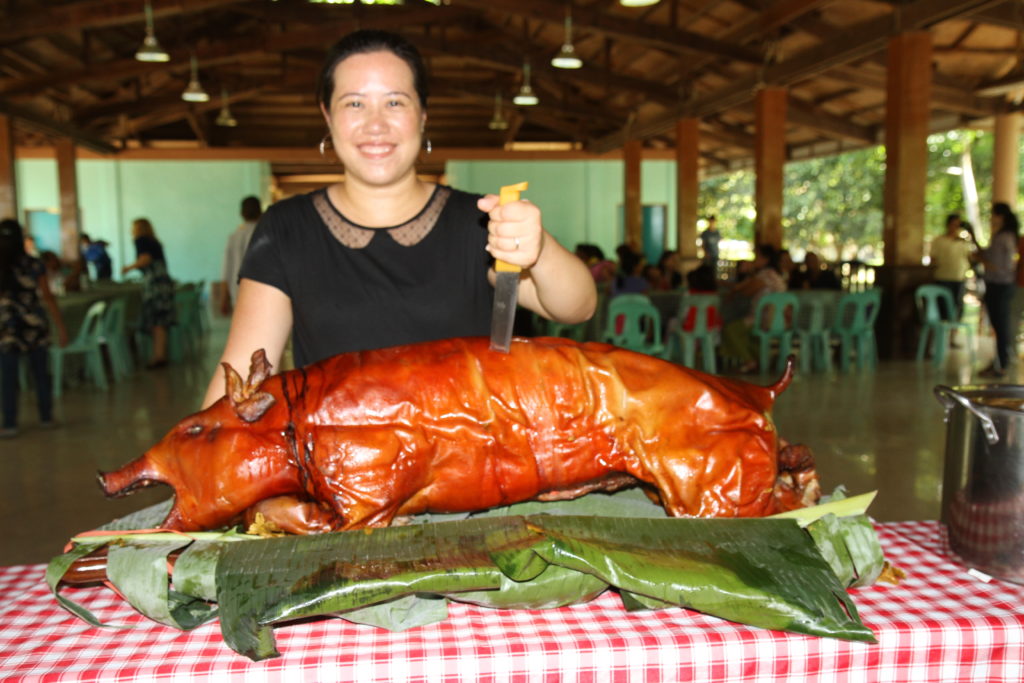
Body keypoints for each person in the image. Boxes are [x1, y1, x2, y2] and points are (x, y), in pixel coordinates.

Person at [202, 29, 596, 408]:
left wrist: (539, 248)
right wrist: (194, 458)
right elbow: (240, 375)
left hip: (462, 466)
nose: (375, 124)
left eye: (395, 102)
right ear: (327, 115)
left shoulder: (478, 221)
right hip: (341, 468)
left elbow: (577, 308)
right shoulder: (286, 228)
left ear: (423, 114)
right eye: (354, 103)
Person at [0, 219, 68, 437]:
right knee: (40, 373)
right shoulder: (33, 264)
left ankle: (10, 423)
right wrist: (60, 326)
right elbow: (47, 296)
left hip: (7, 327)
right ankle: (46, 417)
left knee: (7, 377)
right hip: (34, 324)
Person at [720, 244, 787, 374]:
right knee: (746, 335)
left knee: (730, 330)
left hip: (764, 319)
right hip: (780, 320)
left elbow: (746, 292)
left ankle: (749, 361)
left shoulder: (765, 275)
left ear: (765, 259)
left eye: (757, 256)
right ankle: (760, 359)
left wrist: (747, 277)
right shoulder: (779, 275)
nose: (754, 260)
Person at [122, 218, 175, 369]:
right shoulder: (154, 241)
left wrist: (129, 268)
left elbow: (145, 259)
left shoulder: (141, 241)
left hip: (155, 284)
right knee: (161, 321)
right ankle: (160, 354)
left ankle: (158, 356)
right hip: (163, 282)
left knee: (156, 320)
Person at [974, 203, 1019, 378]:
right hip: (999, 285)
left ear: (1000, 216)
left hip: (1000, 286)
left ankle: (1001, 364)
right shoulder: (1001, 236)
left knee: (1001, 327)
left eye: (993, 214)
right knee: (999, 327)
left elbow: (1003, 267)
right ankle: (999, 362)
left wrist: (983, 261)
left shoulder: (1004, 237)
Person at [220, 196, 263, 316]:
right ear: (261, 211)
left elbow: (226, 270)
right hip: (263, 294)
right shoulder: (266, 235)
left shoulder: (234, 237)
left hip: (238, 293)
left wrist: (224, 298)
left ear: (241, 213)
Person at [928, 214, 973, 321]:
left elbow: (970, 257)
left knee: (957, 307)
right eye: (953, 224)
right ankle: (943, 333)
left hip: (959, 278)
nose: (955, 227)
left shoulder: (963, 242)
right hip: (942, 277)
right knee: (942, 307)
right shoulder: (939, 240)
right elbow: (933, 259)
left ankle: (953, 333)